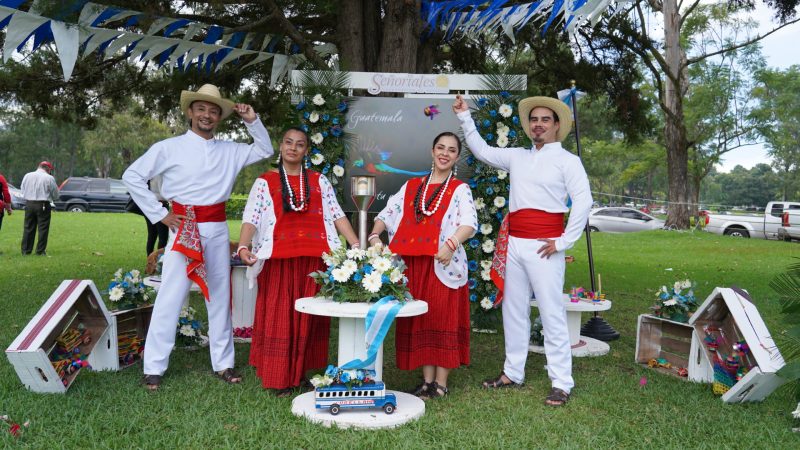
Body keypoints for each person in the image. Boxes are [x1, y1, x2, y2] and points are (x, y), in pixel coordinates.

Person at [122, 84, 274, 391]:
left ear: (220, 117)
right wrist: (159, 213)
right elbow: (132, 176)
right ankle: (153, 366)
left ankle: (224, 363)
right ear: (190, 112)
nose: (207, 115)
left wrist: (251, 120)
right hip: (183, 229)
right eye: (201, 109)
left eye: (214, 111)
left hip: (216, 229)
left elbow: (265, 149)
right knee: (171, 295)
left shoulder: (230, 150)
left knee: (219, 295)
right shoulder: (169, 147)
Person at [453, 94, 592, 406]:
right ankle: (512, 372)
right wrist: (465, 117)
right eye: (534, 119)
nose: (538, 124)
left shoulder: (568, 161)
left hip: (546, 247)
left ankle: (561, 383)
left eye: (545, 119)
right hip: (514, 243)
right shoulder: (517, 155)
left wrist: (563, 241)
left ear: (556, 126)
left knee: (551, 313)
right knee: (513, 311)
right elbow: (483, 151)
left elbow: (584, 201)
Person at [237, 127, 359, 396]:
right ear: (281, 147)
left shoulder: (319, 181)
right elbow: (252, 217)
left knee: (309, 318)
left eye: (300, 144)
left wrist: (355, 244)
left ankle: (302, 373)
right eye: (289, 143)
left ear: (307, 150)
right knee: (280, 316)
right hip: (278, 261)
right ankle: (279, 378)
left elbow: (337, 215)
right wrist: (244, 245)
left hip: (314, 261)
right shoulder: (265, 181)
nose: (293, 148)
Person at [368, 132, 478, 399]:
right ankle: (427, 381)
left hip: (442, 265)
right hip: (413, 266)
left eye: (451, 150)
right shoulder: (412, 186)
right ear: (432, 151)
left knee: (442, 320)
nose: (445, 153)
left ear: (456, 157)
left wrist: (450, 245)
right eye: (440, 147)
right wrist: (374, 235)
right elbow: (387, 213)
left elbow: (469, 223)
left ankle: (441, 383)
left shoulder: (459, 189)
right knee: (422, 321)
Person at [20, 161, 59, 255]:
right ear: (48, 169)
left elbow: (22, 189)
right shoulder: (49, 178)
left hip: (29, 204)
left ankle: (26, 250)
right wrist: (52, 198)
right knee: (43, 228)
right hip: (43, 204)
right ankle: (40, 251)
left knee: (28, 227)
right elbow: (55, 194)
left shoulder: (27, 175)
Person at [144, 176, 169, 256]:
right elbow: (163, 192)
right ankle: (159, 261)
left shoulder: (150, 175)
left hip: (149, 205)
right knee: (163, 237)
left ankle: (150, 261)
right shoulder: (159, 175)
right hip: (160, 205)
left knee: (152, 235)